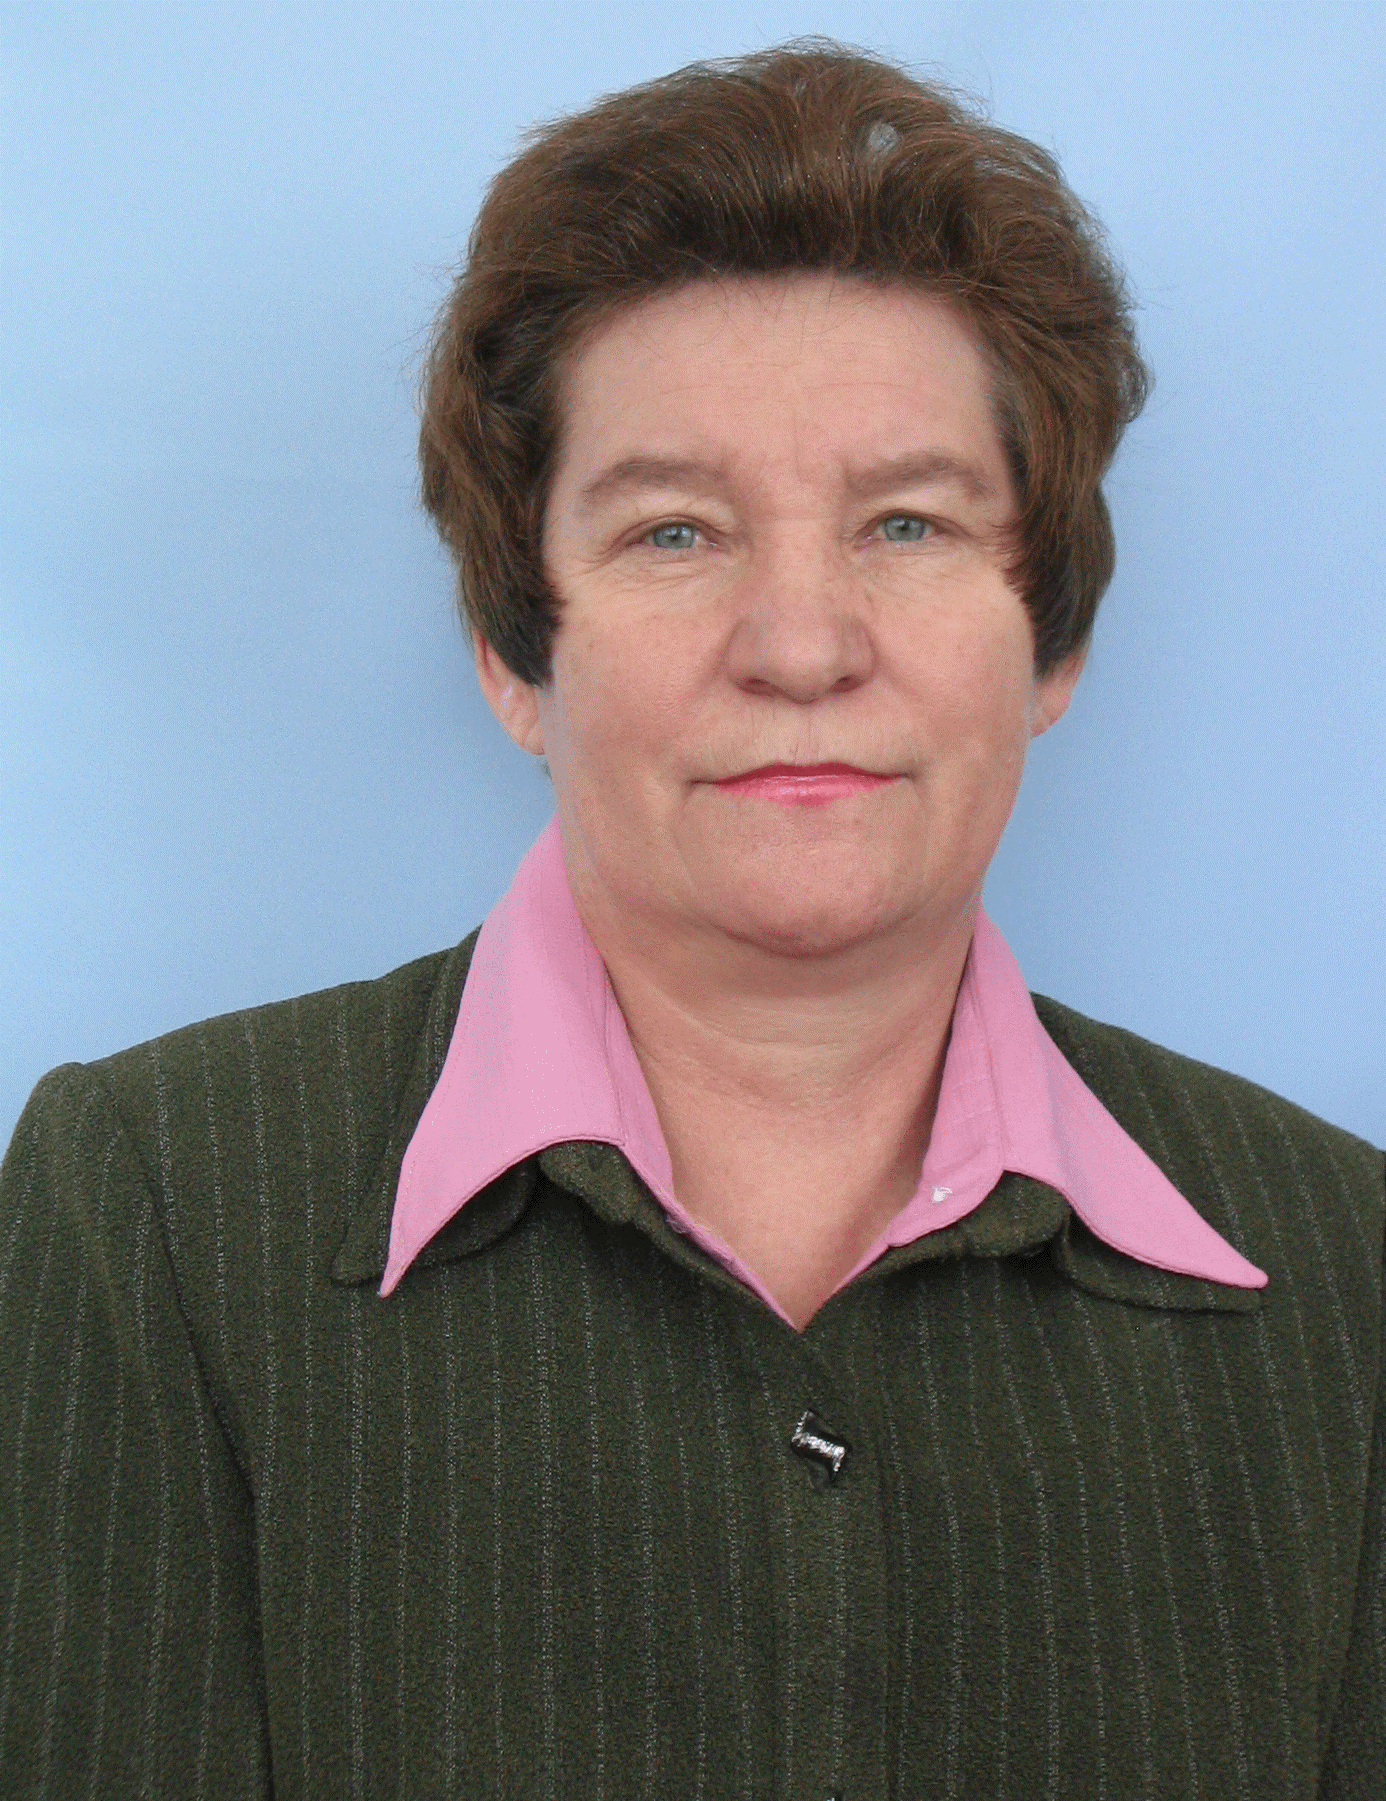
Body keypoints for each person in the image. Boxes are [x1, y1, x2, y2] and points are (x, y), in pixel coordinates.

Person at [1, 39, 1381, 1801]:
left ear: (1050, 644)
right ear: (514, 652)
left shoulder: (1345, 1272)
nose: (800, 646)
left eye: (905, 522)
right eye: (673, 533)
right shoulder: (153, 1214)